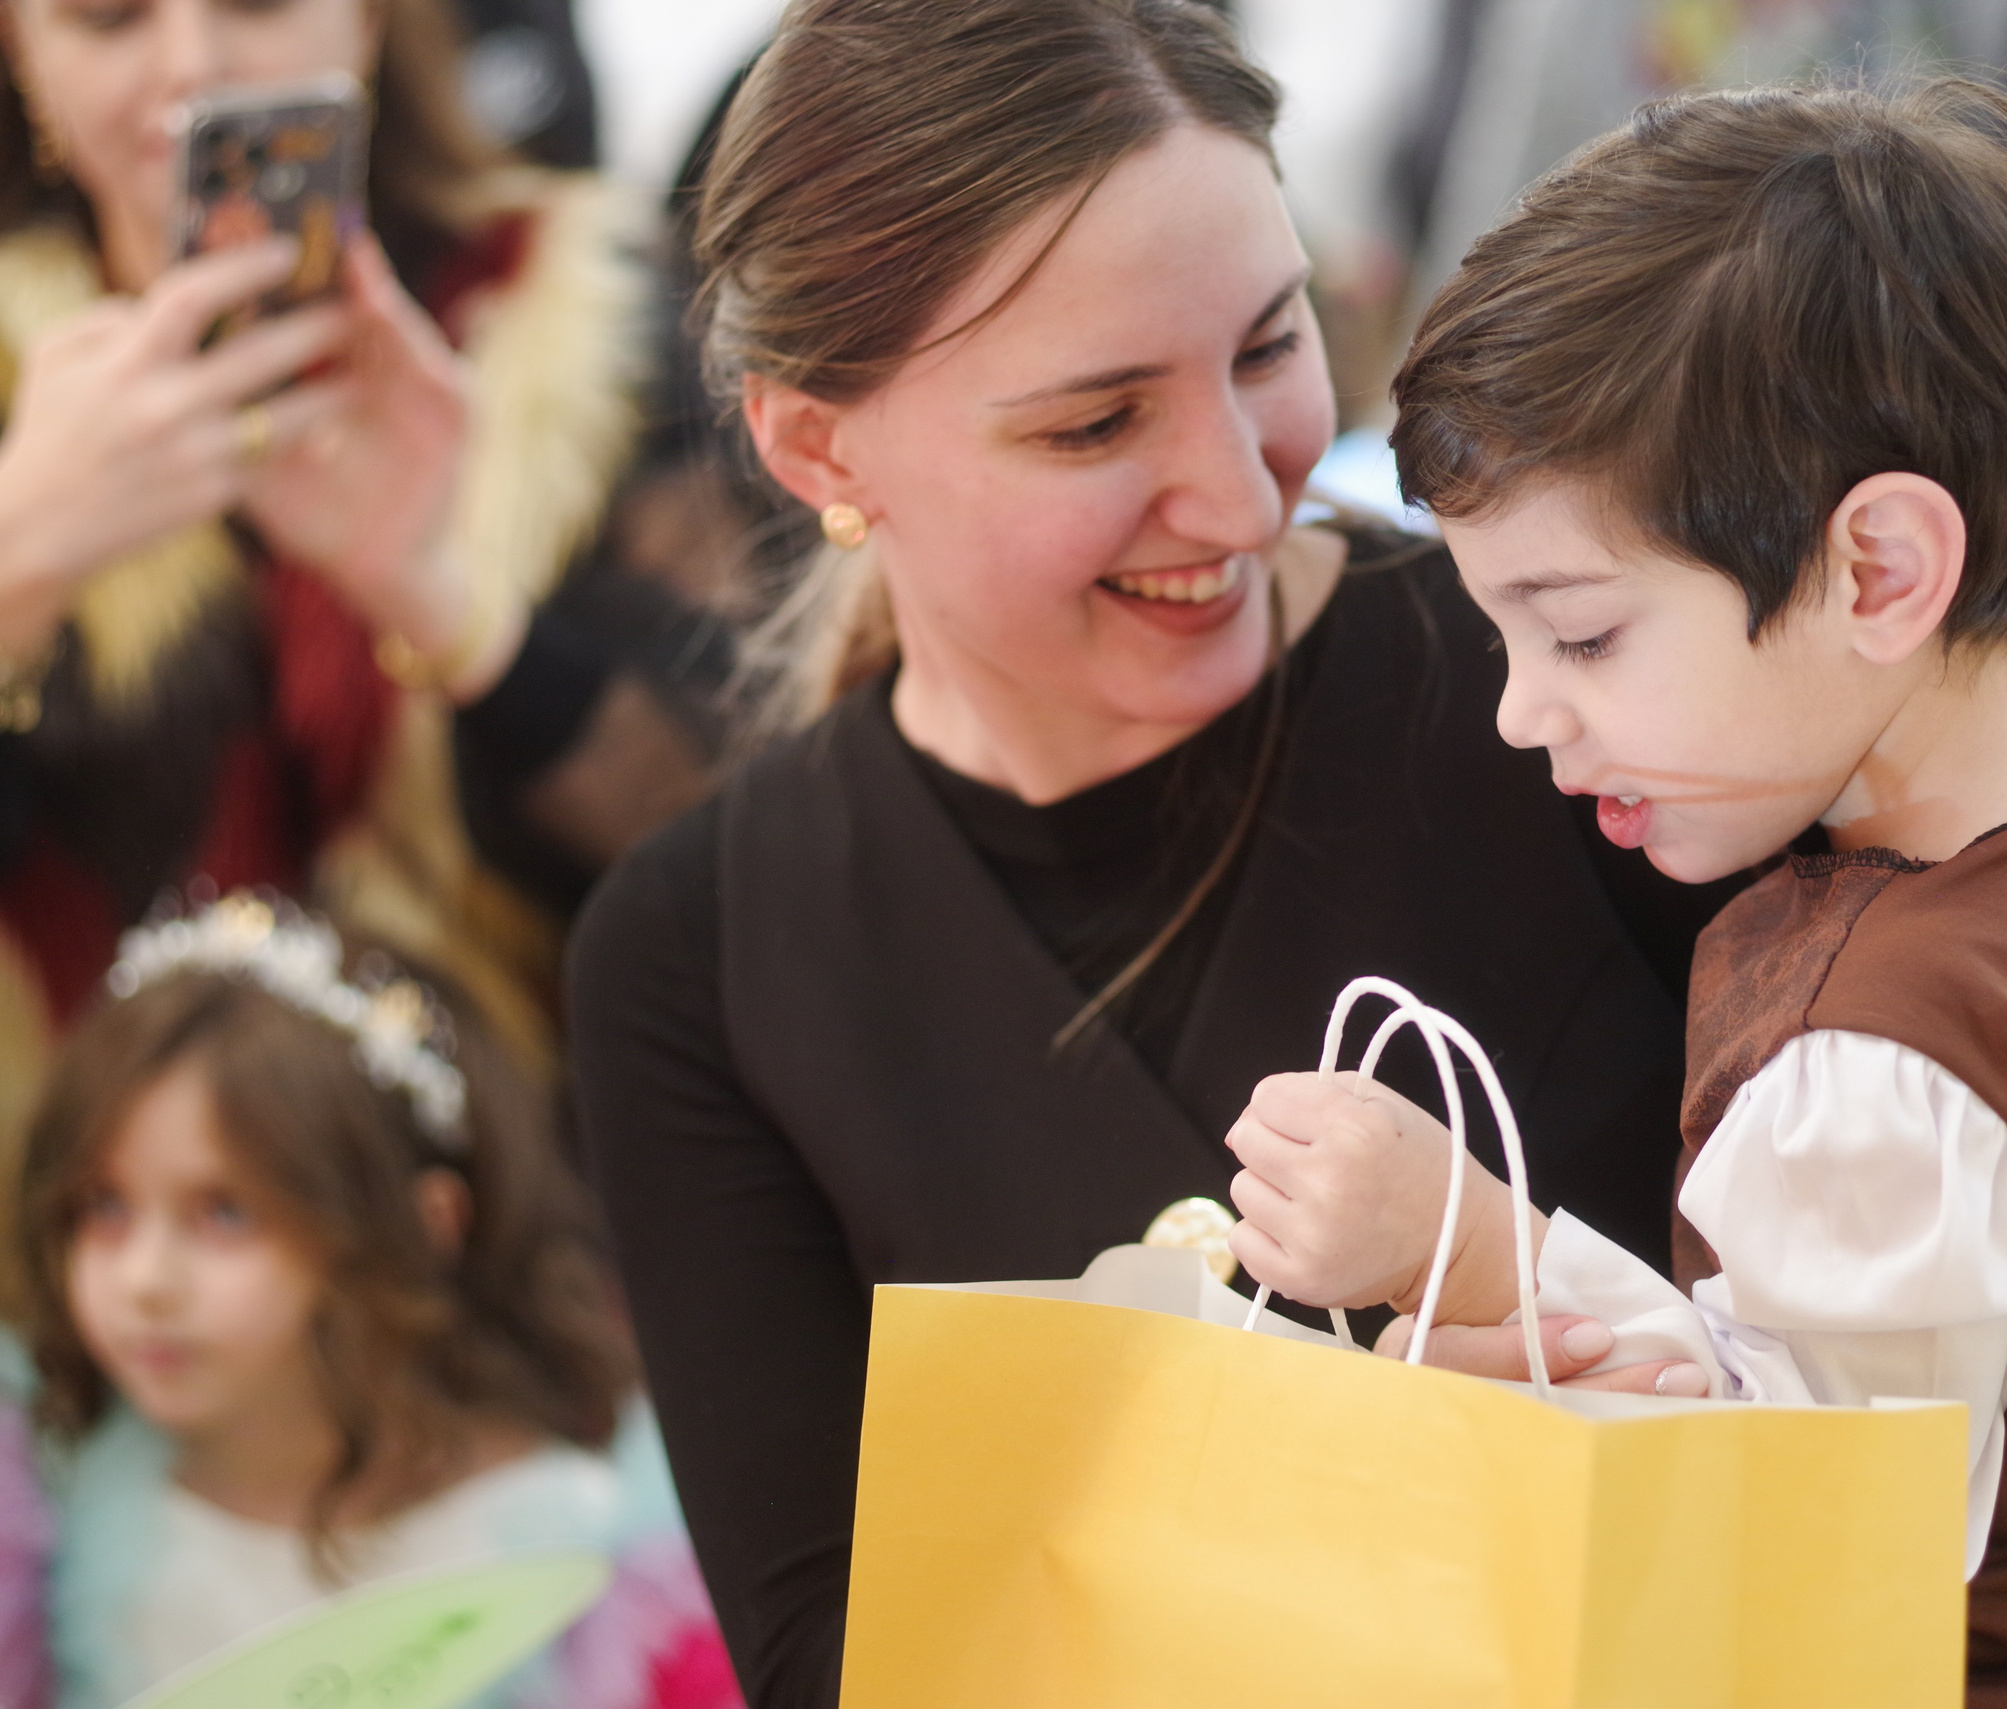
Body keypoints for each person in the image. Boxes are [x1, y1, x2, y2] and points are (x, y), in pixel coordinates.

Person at [564, 1, 1737, 1700]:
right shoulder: (697, 961)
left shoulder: (1559, 690)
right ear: (817, 443)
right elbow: (843, 1656)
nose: (1246, 497)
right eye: (1093, 425)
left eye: (1268, 348)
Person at [1221, 79, 2007, 1706]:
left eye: (1584, 631)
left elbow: (1791, 1556)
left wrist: (1476, 1247)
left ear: (1879, 569)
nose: (1519, 710)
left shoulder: (1878, 1081)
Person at [0, 0, 738, 1159]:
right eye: (108, 18)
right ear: (20, 53)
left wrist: (444, 603)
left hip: (514, 1224)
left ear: (370, 20)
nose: (191, 63)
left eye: (257, 3)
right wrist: (20, 556)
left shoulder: (572, 310)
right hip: (75, 1239)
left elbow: (757, 860)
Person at [7, 892, 738, 1709]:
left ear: (423, 1226)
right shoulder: (53, 1503)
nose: (145, 1279)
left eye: (224, 1213)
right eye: (103, 1207)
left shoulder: (588, 1546)